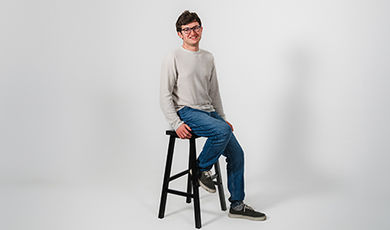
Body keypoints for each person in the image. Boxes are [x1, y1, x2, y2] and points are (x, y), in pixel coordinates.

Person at [160, 10, 266, 221]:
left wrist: (222, 117)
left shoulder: (208, 58)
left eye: (196, 27)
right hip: (187, 111)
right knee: (222, 132)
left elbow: (214, 92)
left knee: (237, 154)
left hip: (209, 112)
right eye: (187, 29)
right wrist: (176, 122)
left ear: (201, 29)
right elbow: (164, 94)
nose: (193, 32)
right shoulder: (174, 56)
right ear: (180, 34)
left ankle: (236, 204)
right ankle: (200, 169)